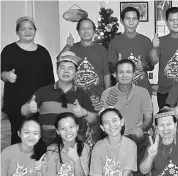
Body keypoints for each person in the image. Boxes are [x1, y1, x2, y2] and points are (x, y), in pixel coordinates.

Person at [20, 52, 97, 145]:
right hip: (45, 144)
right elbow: (23, 111)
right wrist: (29, 108)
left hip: (72, 144)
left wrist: (84, 112)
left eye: (70, 68)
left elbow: (93, 120)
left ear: (76, 73)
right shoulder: (43, 91)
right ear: (57, 71)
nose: (66, 71)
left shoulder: (82, 94)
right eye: (62, 67)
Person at [57, 17, 110, 149]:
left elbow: (107, 73)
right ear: (78, 31)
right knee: (78, 130)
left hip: (97, 97)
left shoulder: (101, 49)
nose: (86, 31)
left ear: (94, 31)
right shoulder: (73, 48)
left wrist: (108, 94)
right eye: (83, 28)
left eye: (89, 28)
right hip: (77, 97)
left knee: (97, 130)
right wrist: (67, 45)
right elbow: (59, 60)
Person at [1, 16, 55, 144]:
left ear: (35, 31)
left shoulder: (43, 52)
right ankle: (18, 162)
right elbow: (1, 72)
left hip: (39, 103)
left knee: (38, 135)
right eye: (23, 29)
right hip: (15, 103)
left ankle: (37, 162)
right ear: (17, 32)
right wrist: (6, 75)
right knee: (19, 134)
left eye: (30, 28)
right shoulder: (9, 50)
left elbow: (50, 80)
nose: (27, 31)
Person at [100, 59, 153, 175]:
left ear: (134, 75)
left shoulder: (143, 92)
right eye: (121, 72)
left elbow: (148, 117)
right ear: (115, 75)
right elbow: (104, 120)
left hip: (137, 137)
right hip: (116, 138)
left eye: (128, 72)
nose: (125, 75)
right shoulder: (107, 94)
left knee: (142, 165)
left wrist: (142, 128)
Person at [108, 7, 154, 91]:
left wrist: (143, 66)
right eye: (127, 18)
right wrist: (117, 65)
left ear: (138, 21)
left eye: (134, 19)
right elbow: (111, 68)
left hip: (143, 89)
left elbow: (151, 66)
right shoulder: (114, 42)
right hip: (121, 90)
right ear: (122, 21)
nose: (131, 22)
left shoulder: (146, 41)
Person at [139, 109, 178, 176]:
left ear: (175, 125)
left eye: (169, 124)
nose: (166, 128)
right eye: (161, 125)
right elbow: (144, 171)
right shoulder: (153, 144)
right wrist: (150, 156)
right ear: (156, 128)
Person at [90, 107, 137, 176]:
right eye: (106, 123)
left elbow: (126, 173)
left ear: (122, 122)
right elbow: (96, 174)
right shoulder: (98, 147)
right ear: (102, 127)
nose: (111, 125)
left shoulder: (131, 145)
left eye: (114, 120)